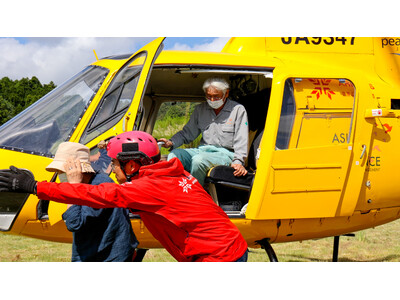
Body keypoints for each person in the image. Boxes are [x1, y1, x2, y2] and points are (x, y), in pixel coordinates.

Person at [0, 131, 248, 262]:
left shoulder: (147, 187)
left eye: (116, 164)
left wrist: (33, 186)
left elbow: (95, 195)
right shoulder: (169, 171)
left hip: (217, 257)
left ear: (131, 166)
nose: (111, 169)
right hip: (228, 248)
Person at [45, 141, 138, 262]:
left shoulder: (99, 187)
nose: (60, 175)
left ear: (77, 170)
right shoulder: (90, 183)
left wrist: (73, 186)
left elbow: (74, 223)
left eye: (64, 171)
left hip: (110, 257)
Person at [158, 77, 249, 186]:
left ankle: (196, 195)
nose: (212, 100)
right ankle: (175, 191)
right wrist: (170, 142)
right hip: (202, 150)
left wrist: (238, 162)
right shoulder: (200, 110)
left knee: (198, 161)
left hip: (225, 153)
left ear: (226, 94)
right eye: (209, 96)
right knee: (174, 155)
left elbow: (241, 139)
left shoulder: (238, 110)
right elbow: (187, 133)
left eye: (216, 97)